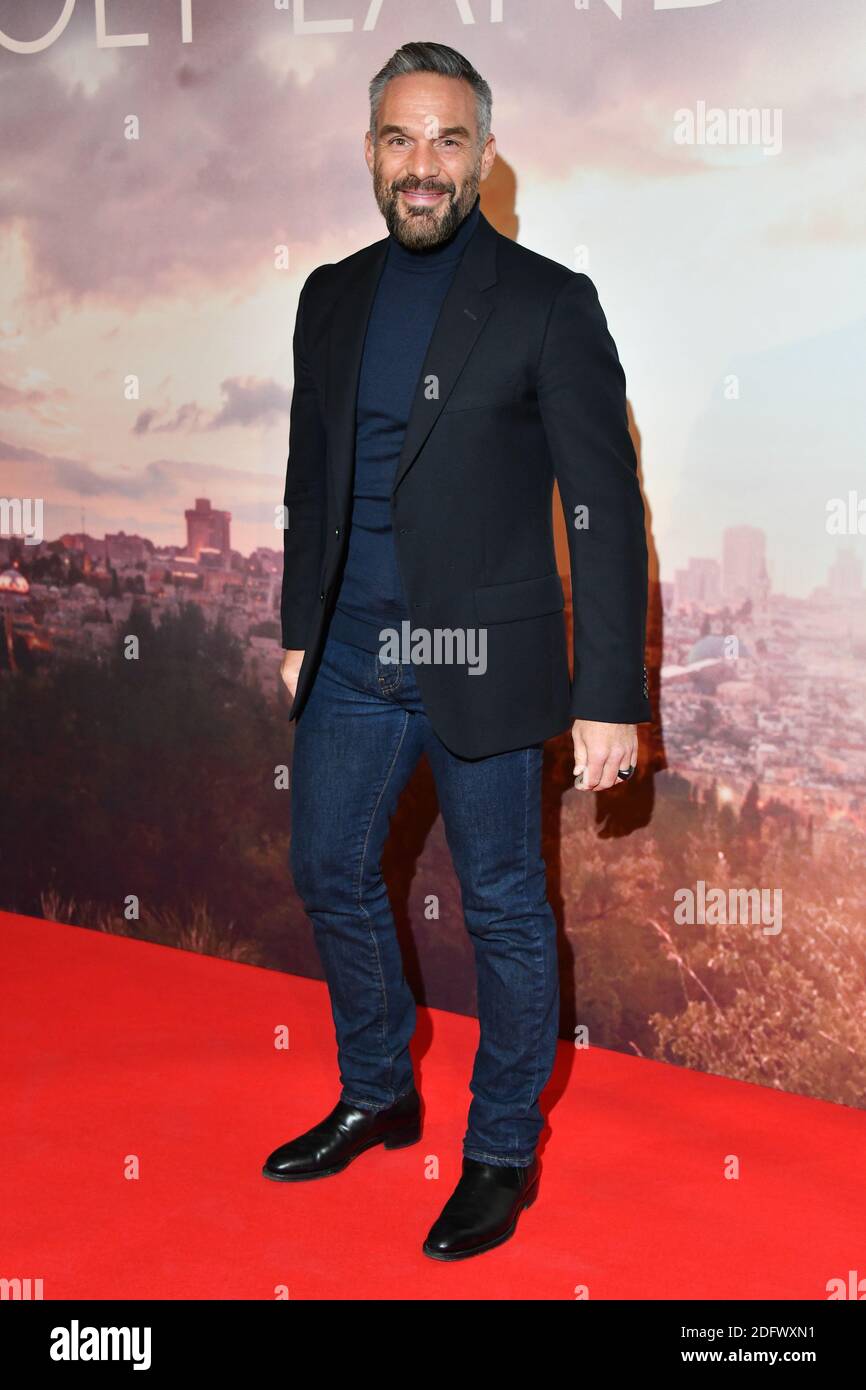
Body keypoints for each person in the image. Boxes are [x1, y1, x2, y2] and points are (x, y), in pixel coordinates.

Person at [262, 40, 651, 1262]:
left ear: (483, 155)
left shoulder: (548, 300)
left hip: (489, 665)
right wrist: (293, 626)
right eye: (398, 139)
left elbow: (604, 506)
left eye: (445, 140)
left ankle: (498, 1153)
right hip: (351, 662)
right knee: (328, 871)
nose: (421, 166)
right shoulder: (328, 295)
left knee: (504, 916)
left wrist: (606, 699)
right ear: (368, 152)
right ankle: (380, 1088)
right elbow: (305, 482)